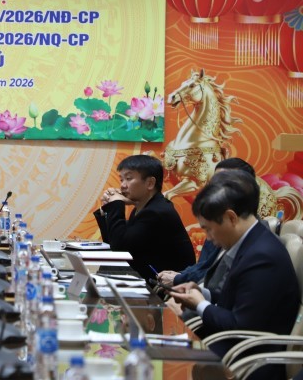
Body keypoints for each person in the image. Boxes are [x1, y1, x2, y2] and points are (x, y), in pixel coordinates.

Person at [170, 170, 299, 379]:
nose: (208, 238)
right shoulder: (252, 242)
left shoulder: (262, 256)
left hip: (249, 361)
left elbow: (240, 325)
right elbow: (239, 299)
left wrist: (200, 305)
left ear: (231, 217)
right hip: (231, 348)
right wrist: (202, 294)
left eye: (209, 229)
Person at [158, 157, 267, 287]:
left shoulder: (257, 246)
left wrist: (180, 280)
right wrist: (180, 275)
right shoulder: (220, 225)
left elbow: (217, 282)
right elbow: (204, 266)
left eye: (223, 184)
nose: (214, 190)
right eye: (213, 183)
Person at [93, 154, 195, 280]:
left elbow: (120, 250)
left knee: (109, 270)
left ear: (150, 183)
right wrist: (106, 209)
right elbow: (113, 242)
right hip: (145, 278)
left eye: (128, 178)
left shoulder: (156, 212)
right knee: (108, 269)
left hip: (167, 285)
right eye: (121, 180)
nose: (123, 185)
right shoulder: (144, 208)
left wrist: (116, 204)